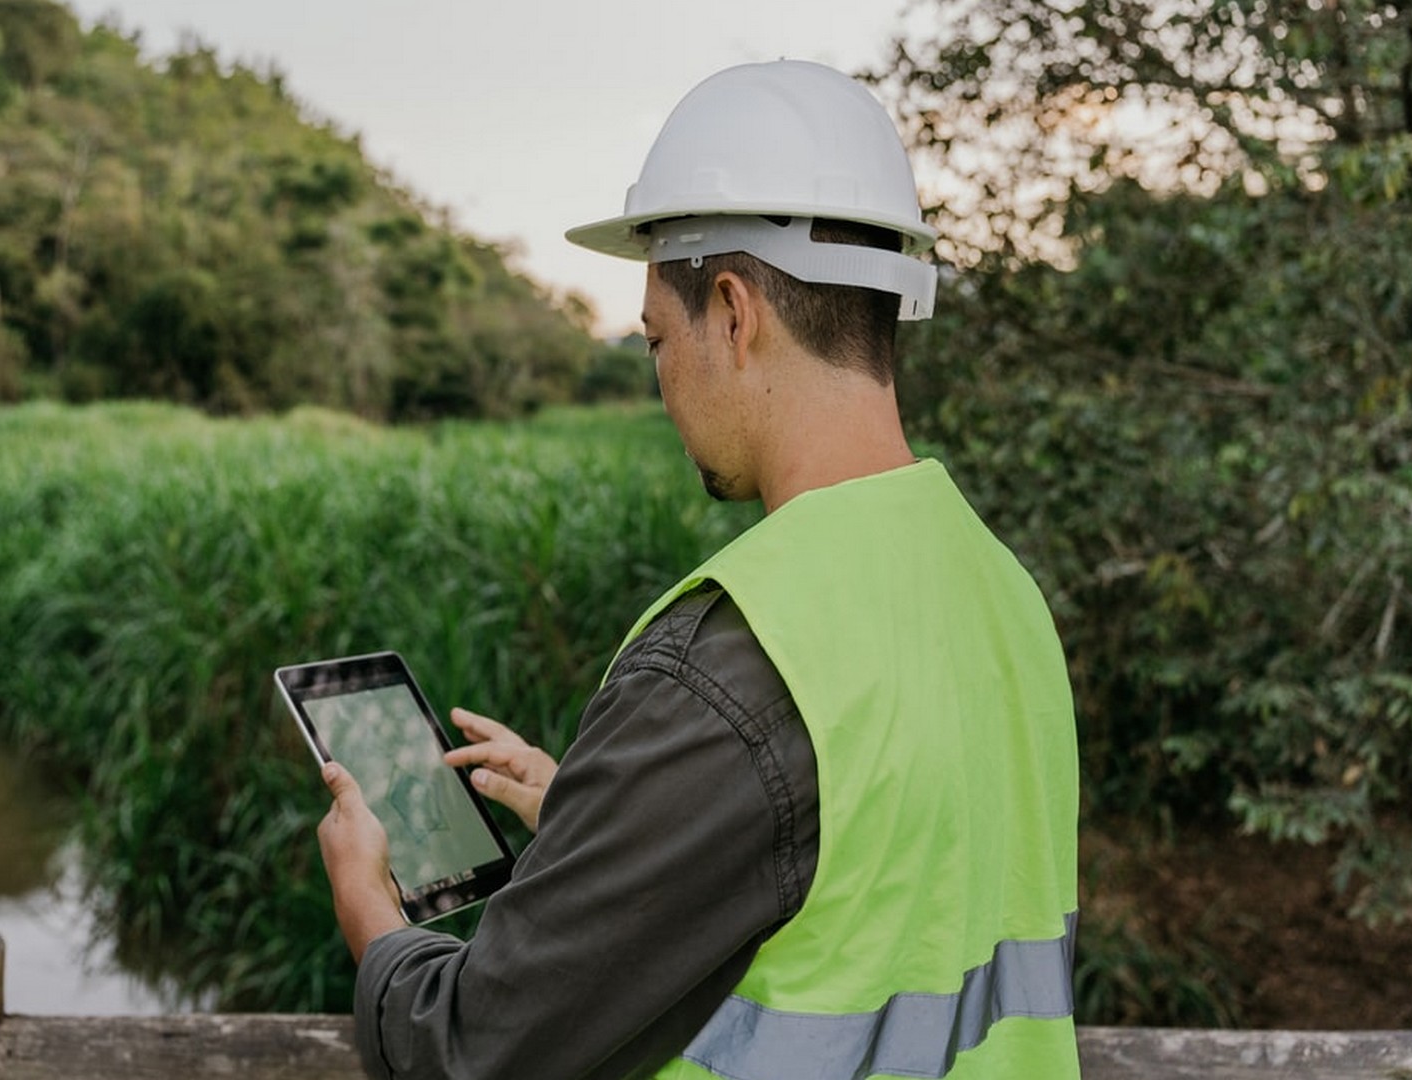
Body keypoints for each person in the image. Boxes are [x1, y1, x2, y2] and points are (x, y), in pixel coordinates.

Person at [315, 59, 1081, 1079]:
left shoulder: (730, 667)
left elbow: (465, 1050)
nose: (663, 384)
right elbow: (891, 880)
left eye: (656, 342)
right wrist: (613, 829)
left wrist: (371, 909)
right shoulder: (1000, 590)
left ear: (732, 312)